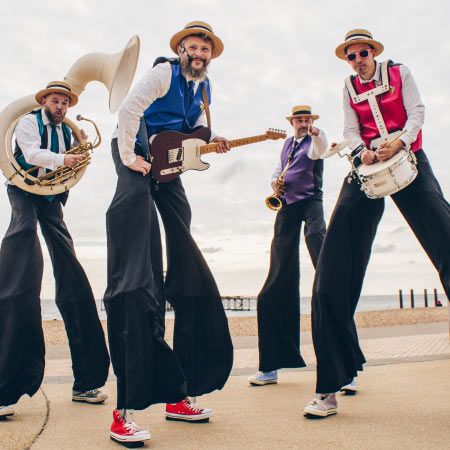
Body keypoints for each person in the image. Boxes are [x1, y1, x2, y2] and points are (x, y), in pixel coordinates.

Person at [304, 29, 450, 418]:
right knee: (333, 267)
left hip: (410, 161)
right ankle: (330, 385)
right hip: (366, 169)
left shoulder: (400, 72)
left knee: (448, 242)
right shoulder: (348, 86)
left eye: (362, 53)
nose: (357, 60)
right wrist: (361, 152)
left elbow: (417, 112)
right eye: (350, 56)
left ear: (374, 52)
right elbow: (351, 130)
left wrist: (401, 142)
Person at [104, 21, 233, 444]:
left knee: (190, 273)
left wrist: (213, 139)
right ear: (180, 49)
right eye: (193, 46)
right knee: (138, 278)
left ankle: (180, 394)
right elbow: (128, 111)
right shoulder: (163, 74)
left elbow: (190, 131)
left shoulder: (205, 88)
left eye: (206, 48)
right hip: (136, 155)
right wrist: (129, 158)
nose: (199, 52)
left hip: (167, 169)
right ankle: (122, 413)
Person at [0, 81, 110, 419]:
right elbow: (31, 154)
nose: (60, 105)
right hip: (23, 191)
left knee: (72, 277)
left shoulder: (68, 132)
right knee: (22, 263)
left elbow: (71, 168)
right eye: (54, 100)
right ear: (44, 101)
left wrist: (71, 160)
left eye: (65, 101)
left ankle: (86, 383)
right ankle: (4, 390)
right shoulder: (29, 122)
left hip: (51, 199)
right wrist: (65, 158)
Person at [247, 105, 327, 386]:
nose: (303, 123)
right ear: (292, 122)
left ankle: (343, 370)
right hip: (287, 206)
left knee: (326, 274)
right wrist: (274, 183)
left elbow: (322, 146)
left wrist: (315, 132)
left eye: (307, 120)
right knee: (274, 286)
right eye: (299, 120)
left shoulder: (315, 139)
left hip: (311, 204)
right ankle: (270, 367)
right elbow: (278, 169)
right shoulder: (286, 145)